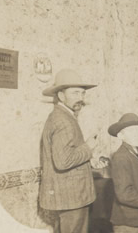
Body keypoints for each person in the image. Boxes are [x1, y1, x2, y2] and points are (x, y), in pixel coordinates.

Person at [39, 69, 106, 233]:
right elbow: (63, 161)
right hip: (71, 196)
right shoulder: (63, 120)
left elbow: (67, 154)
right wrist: (88, 147)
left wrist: (88, 160)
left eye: (82, 93)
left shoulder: (63, 116)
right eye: (75, 93)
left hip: (68, 195)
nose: (81, 98)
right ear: (61, 96)